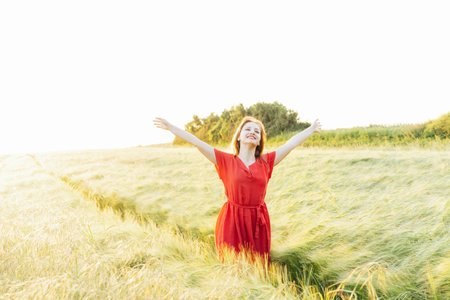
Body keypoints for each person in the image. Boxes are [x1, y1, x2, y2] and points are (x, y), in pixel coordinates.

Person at [153, 116, 321, 263]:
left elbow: (290, 144)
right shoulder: (224, 160)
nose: (252, 132)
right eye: (247, 129)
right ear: (239, 137)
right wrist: (170, 127)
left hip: (258, 223)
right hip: (232, 221)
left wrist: (311, 129)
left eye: (257, 131)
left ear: (259, 141)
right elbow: (196, 142)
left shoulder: (266, 162)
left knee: (257, 269)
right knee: (231, 267)